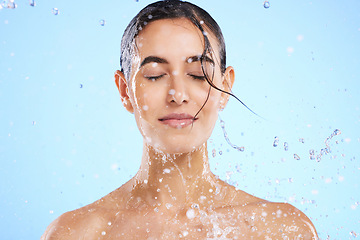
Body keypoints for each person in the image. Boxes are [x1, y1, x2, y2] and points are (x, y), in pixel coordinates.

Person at [41, 0, 318, 239]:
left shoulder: (280, 230)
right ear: (125, 91)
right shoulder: (76, 233)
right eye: (154, 75)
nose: (177, 94)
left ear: (225, 87)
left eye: (198, 74)